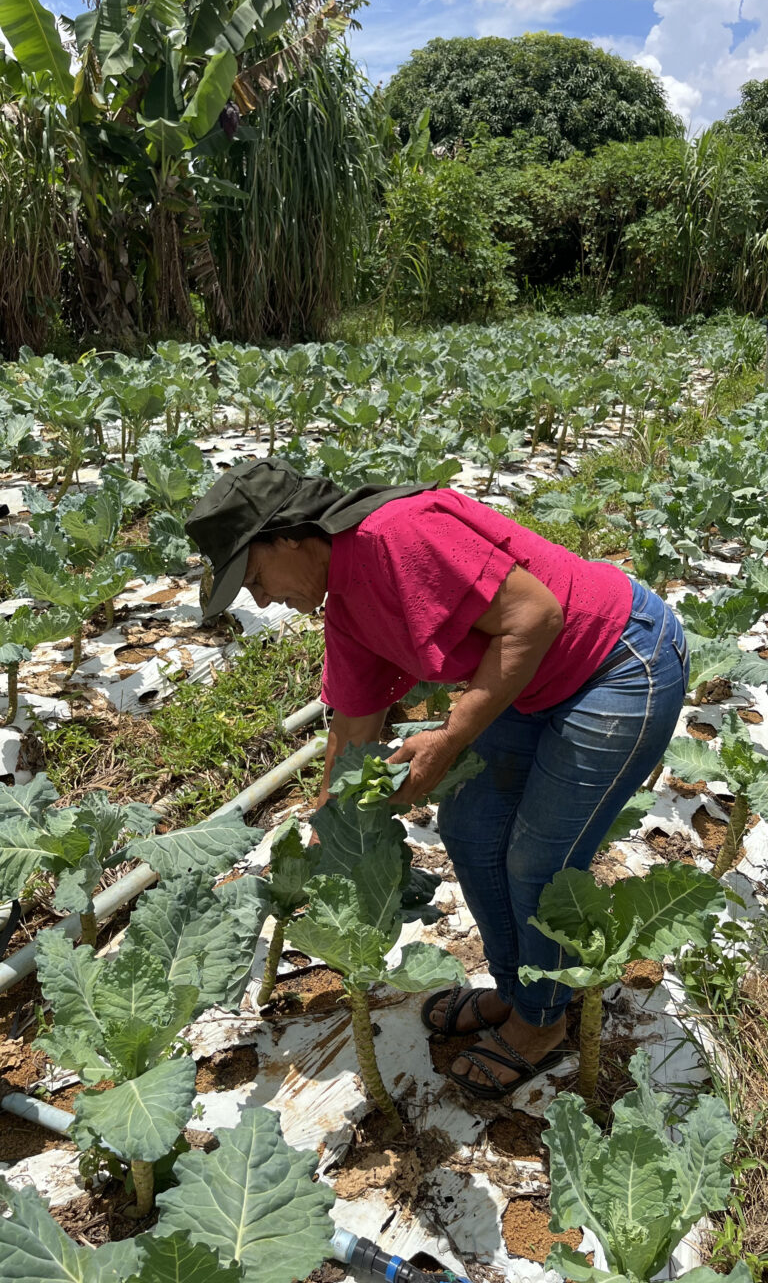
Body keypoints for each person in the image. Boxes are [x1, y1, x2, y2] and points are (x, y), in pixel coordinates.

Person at [187, 459, 690, 1100]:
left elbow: (535, 616)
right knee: (471, 827)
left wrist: (451, 737)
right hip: (528, 681)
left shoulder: (396, 536)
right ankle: (518, 992)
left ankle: (543, 1022)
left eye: (254, 576)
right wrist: (327, 836)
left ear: (287, 535)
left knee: (537, 860)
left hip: (617, 660)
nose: (261, 600)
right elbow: (352, 730)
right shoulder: (344, 605)